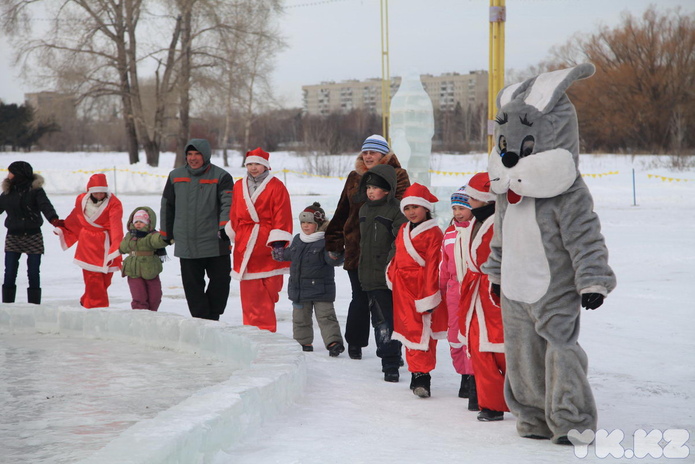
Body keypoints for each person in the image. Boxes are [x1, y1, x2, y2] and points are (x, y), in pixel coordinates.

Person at [324, 134, 410, 360]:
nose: (368, 155)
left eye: (374, 152)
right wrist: (333, 240)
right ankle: (355, 342)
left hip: (385, 251)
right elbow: (343, 210)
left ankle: (391, 350)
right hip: (357, 248)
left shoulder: (398, 176)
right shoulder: (354, 177)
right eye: (365, 152)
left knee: (386, 303)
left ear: (385, 154)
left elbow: (402, 210)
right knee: (359, 298)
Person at [160, 138, 234, 321]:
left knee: (221, 283)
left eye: (197, 154)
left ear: (206, 155)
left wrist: (225, 227)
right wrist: (165, 233)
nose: (193, 158)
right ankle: (202, 320)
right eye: (190, 154)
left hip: (215, 242)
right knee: (193, 287)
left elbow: (228, 205)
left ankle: (213, 316)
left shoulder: (221, 176)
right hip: (187, 243)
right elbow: (167, 206)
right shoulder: (175, 176)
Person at [387, 183, 448, 398]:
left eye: (415, 207)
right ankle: (415, 373)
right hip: (402, 289)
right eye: (407, 208)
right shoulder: (403, 229)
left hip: (422, 288)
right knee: (408, 331)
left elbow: (434, 265)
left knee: (424, 332)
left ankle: (423, 377)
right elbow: (397, 255)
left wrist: (429, 296)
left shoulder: (434, 233)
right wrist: (391, 274)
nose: (411, 212)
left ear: (426, 208)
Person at [457, 172, 508, 421]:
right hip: (476, 292)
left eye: (472, 197)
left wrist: (499, 283)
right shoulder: (474, 224)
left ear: (484, 199)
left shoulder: (502, 222)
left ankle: (525, 398)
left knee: (503, 349)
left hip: (497, 292)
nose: (468, 201)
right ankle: (491, 404)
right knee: (479, 348)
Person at [225, 147, 292, 333]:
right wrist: (232, 234)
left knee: (270, 289)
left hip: (267, 243)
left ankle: (266, 330)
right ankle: (254, 331)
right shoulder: (238, 186)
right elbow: (235, 213)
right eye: (250, 164)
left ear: (265, 166)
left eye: (257, 164)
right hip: (245, 244)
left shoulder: (277, 186)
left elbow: (282, 214)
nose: (253, 168)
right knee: (249, 292)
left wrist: (279, 241)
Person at [272, 202, 345, 356]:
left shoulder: (326, 240)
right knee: (300, 319)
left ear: (318, 224)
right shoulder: (298, 239)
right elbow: (290, 254)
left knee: (326, 317)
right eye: (303, 222)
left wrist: (336, 253)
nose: (305, 226)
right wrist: (278, 251)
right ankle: (303, 342)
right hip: (299, 288)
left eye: (310, 223)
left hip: (321, 290)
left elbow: (333, 261)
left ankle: (333, 342)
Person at [356, 165, 407, 382]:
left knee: (387, 321)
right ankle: (392, 355)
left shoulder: (396, 210)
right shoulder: (364, 209)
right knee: (380, 320)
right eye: (368, 187)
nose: (370, 191)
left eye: (375, 187)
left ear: (387, 190)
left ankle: (390, 364)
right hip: (368, 276)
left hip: (388, 276)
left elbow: (401, 241)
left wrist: (390, 265)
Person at [55, 173, 123, 308]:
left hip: (106, 243)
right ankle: (98, 310)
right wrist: (65, 227)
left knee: (105, 281)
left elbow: (116, 225)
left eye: (102, 193)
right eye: (96, 193)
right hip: (88, 244)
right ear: (90, 191)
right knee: (93, 279)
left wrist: (117, 246)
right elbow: (76, 216)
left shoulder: (114, 203)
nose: (99, 196)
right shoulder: (81, 200)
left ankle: (87, 299)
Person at [0, 161, 62, 304]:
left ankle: (34, 307)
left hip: (33, 235)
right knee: (9, 273)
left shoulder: (36, 191)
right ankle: (7, 306)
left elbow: (45, 206)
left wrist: (54, 219)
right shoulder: (8, 191)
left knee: (33, 273)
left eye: (11, 172)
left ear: (19, 174)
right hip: (13, 236)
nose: (8, 175)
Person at [439, 185, 477, 405]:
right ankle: (463, 374)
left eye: (462, 208)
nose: (457, 213)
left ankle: (474, 379)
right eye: (454, 208)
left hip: (473, 289)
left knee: (471, 334)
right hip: (453, 290)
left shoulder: (477, 231)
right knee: (454, 335)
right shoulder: (450, 233)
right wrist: (442, 288)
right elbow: (444, 264)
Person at [119, 207, 169, 311]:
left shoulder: (152, 236)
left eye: (141, 221)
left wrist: (167, 236)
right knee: (139, 296)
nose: (138, 224)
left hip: (150, 270)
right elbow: (123, 248)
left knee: (155, 296)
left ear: (148, 223)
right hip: (133, 271)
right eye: (136, 221)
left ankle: (151, 314)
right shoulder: (130, 236)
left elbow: (159, 241)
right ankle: (140, 315)